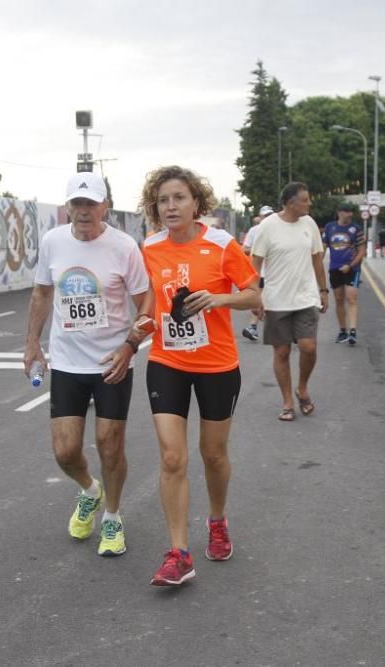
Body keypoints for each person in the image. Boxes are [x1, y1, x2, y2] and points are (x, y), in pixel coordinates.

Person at [138, 165, 260, 586]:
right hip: (167, 361)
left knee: (213, 454)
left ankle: (217, 520)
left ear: (196, 204)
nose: (170, 206)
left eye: (179, 198)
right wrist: (142, 321)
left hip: (217, 364)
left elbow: (254, 293)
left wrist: (219, 298)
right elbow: (150, 299)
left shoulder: (222, 245)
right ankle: (179, 552)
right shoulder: (150, 248)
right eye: (163, 200)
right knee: (173, 456)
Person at [23, 171, 152, 558]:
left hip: (112, 361)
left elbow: (147, 303)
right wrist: (32, 342)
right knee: (64, 452)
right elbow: (42, 292)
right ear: (67, 208)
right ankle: (90, 492)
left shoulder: (124, 247)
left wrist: (130, 346)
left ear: (105, 208)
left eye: (91, 204)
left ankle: (112, 517)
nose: (83, 212)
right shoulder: (53, 242)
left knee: (110, 446)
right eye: (76, 204)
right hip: (66, 362)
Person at [251, 182, 329, 422]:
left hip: (306, 297)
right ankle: (287, 400)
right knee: (282, 351)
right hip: (276, 299)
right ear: (290, 202)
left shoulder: (309, 224)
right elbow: (254, 263)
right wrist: (255, 296)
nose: (309, 204)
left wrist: (323, 290)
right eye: (305, 200)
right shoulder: (268, 227)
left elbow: (317, 259)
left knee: (309, 347)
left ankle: (302, 388)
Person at [322, 202, 367, 345]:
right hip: (335, 268)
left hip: (352, 269)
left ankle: (353, 331)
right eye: (346, 211)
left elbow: (362, 251)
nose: (350, 214)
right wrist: (316, 266)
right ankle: (343, 331)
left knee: (351, 298)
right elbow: (322, 249)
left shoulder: (356, 229)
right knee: (339, 300)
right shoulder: (330, 227)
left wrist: (351, 265)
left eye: (351, 212)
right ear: (339, 212)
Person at [240, 204, 275, 341]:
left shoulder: (279, 229)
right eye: (265, 216)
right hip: (259, 270)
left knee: (272, 300)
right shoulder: (254, 231)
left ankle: (279, 329)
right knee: (259, 299)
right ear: (260, 218)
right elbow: (245, 248)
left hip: (276, 271)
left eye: (270, 215)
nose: (267, 218)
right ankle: (253, 327)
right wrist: (258, 250)